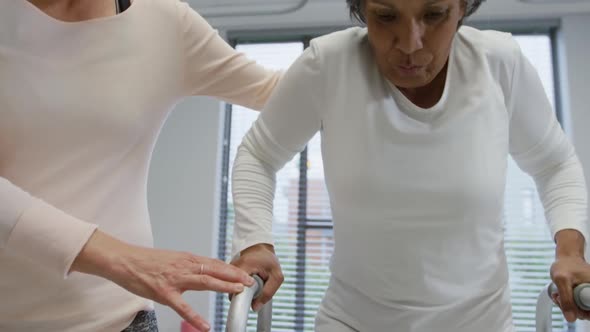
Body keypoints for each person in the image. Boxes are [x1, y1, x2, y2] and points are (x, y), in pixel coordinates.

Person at [230, 0, 590, 330]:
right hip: (352, 322)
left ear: (462, 7)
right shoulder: (329, 64)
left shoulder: (499, 63)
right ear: (361, 10)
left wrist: (570, 252)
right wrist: (255, 243)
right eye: (386, 17)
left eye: (434, 15)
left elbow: (554, 164)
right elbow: (259, 156)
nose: (410, 44)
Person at [0, 0, 282, 331]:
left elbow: (280, 93)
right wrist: (126, 261)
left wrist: (346, 48)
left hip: (119, 317)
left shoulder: (166, 23)